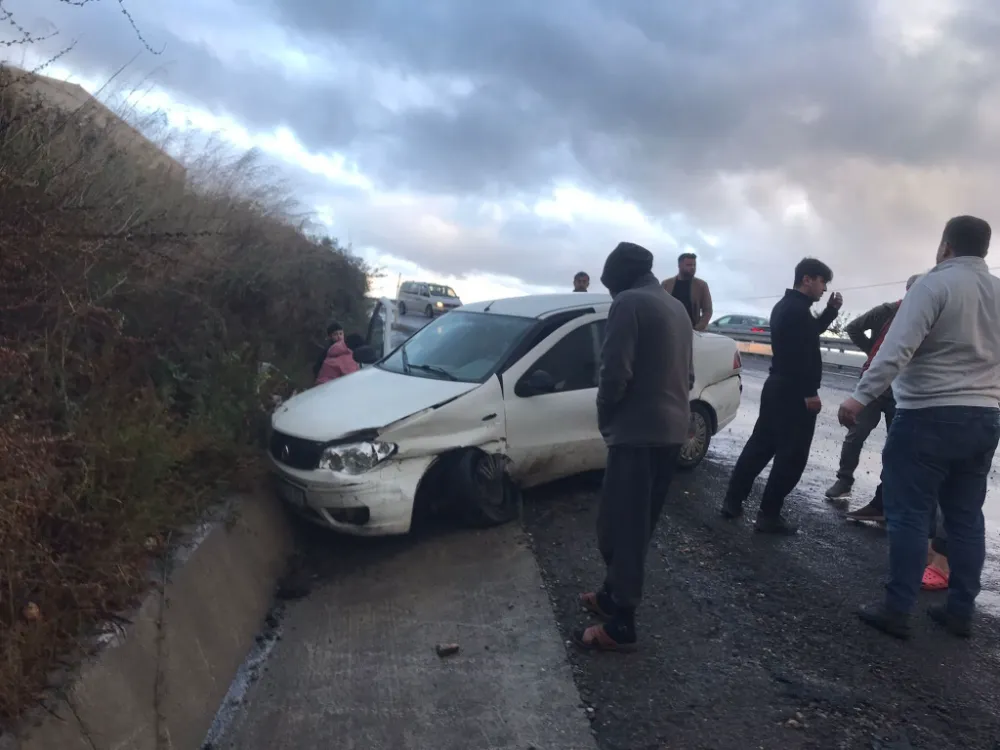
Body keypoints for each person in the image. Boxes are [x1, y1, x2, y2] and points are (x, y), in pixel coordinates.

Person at [839, 215, 1000, 639]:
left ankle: (897, 609)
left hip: (927, 414)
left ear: (946, 244)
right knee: (966, 518)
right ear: (984, 247)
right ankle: (960, 611)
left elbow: (896, 349)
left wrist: (860, 396)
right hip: (984, 417)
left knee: (909, 512)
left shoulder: (934, 283)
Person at [574, 241, 692, 652]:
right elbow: (688, 375)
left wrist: (607, 417)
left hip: (638, 435)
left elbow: (614, 373)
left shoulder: (628, 303)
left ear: (617, 279)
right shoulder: (675, 306)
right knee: (638, 525)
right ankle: (610, 596)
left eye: (609, 286)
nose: (610, 293)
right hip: (672, 432)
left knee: (618, 528)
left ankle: (622, 622)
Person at [720, 258, 842, 534]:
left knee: (760, 447)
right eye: (822, 282)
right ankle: (769, 515)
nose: (824, 289)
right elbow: (803, 356)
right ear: (807, 279)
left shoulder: (787, 307)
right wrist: (810, 393)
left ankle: (733, 502)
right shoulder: (798, 311)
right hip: (794, 393)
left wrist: (831, 312)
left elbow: (809, 336)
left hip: (777, 388)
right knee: (792, 457)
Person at [827, 274, 923, 507]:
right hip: (874, 384)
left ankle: (887, 495)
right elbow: (854, 327)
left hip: (903, 389)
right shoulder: (888, 310)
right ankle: (844, 480)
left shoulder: (925, 317)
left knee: (897, 443)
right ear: (909, 290)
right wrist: (875, 353)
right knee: (856, 433)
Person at [661, 252, 713, 331]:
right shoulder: (666, 284)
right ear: (679, 266)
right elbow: (659, 306)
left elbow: (707, 310)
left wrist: (698, 328)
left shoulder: (701, 285)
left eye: (694, 265)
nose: (692, 268)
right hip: (669, 330)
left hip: (692, 331)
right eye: (688, 265)